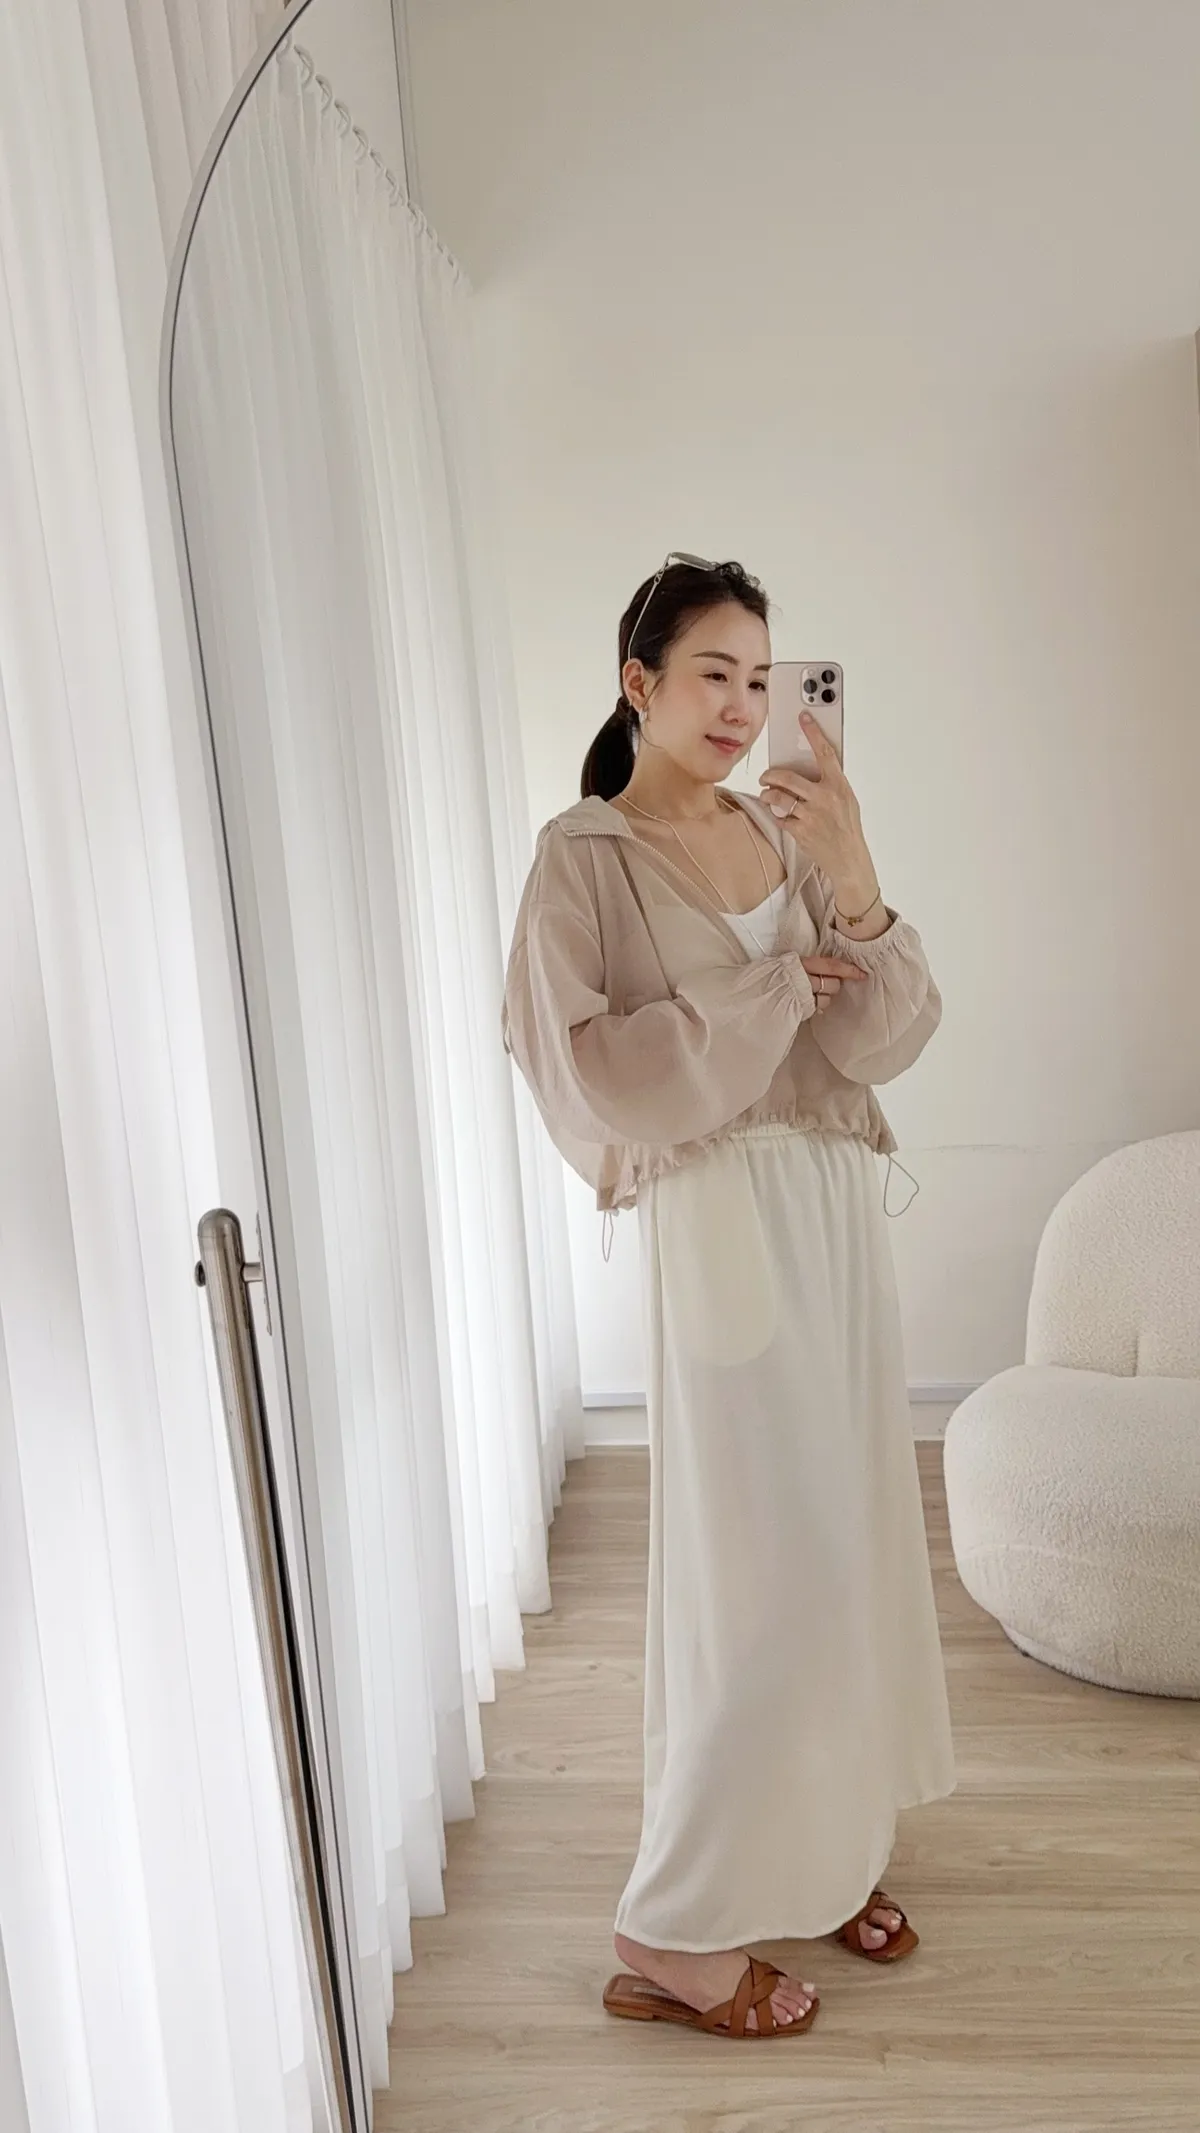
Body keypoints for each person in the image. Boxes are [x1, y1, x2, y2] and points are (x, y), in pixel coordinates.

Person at [501, 555, 956, 2043]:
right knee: (760, 1571)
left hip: (830, 1211)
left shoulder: (786, 829)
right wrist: (768, 996)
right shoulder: (585, 857)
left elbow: (885, 1039)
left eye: (762, 679)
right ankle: (673, 1924)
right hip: (723, 1224)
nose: (745, 706)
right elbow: (585, 1069)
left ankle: (822, 1847)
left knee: (846, 1547)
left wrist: (858, 866)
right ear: (639, 682)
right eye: (715, 674)